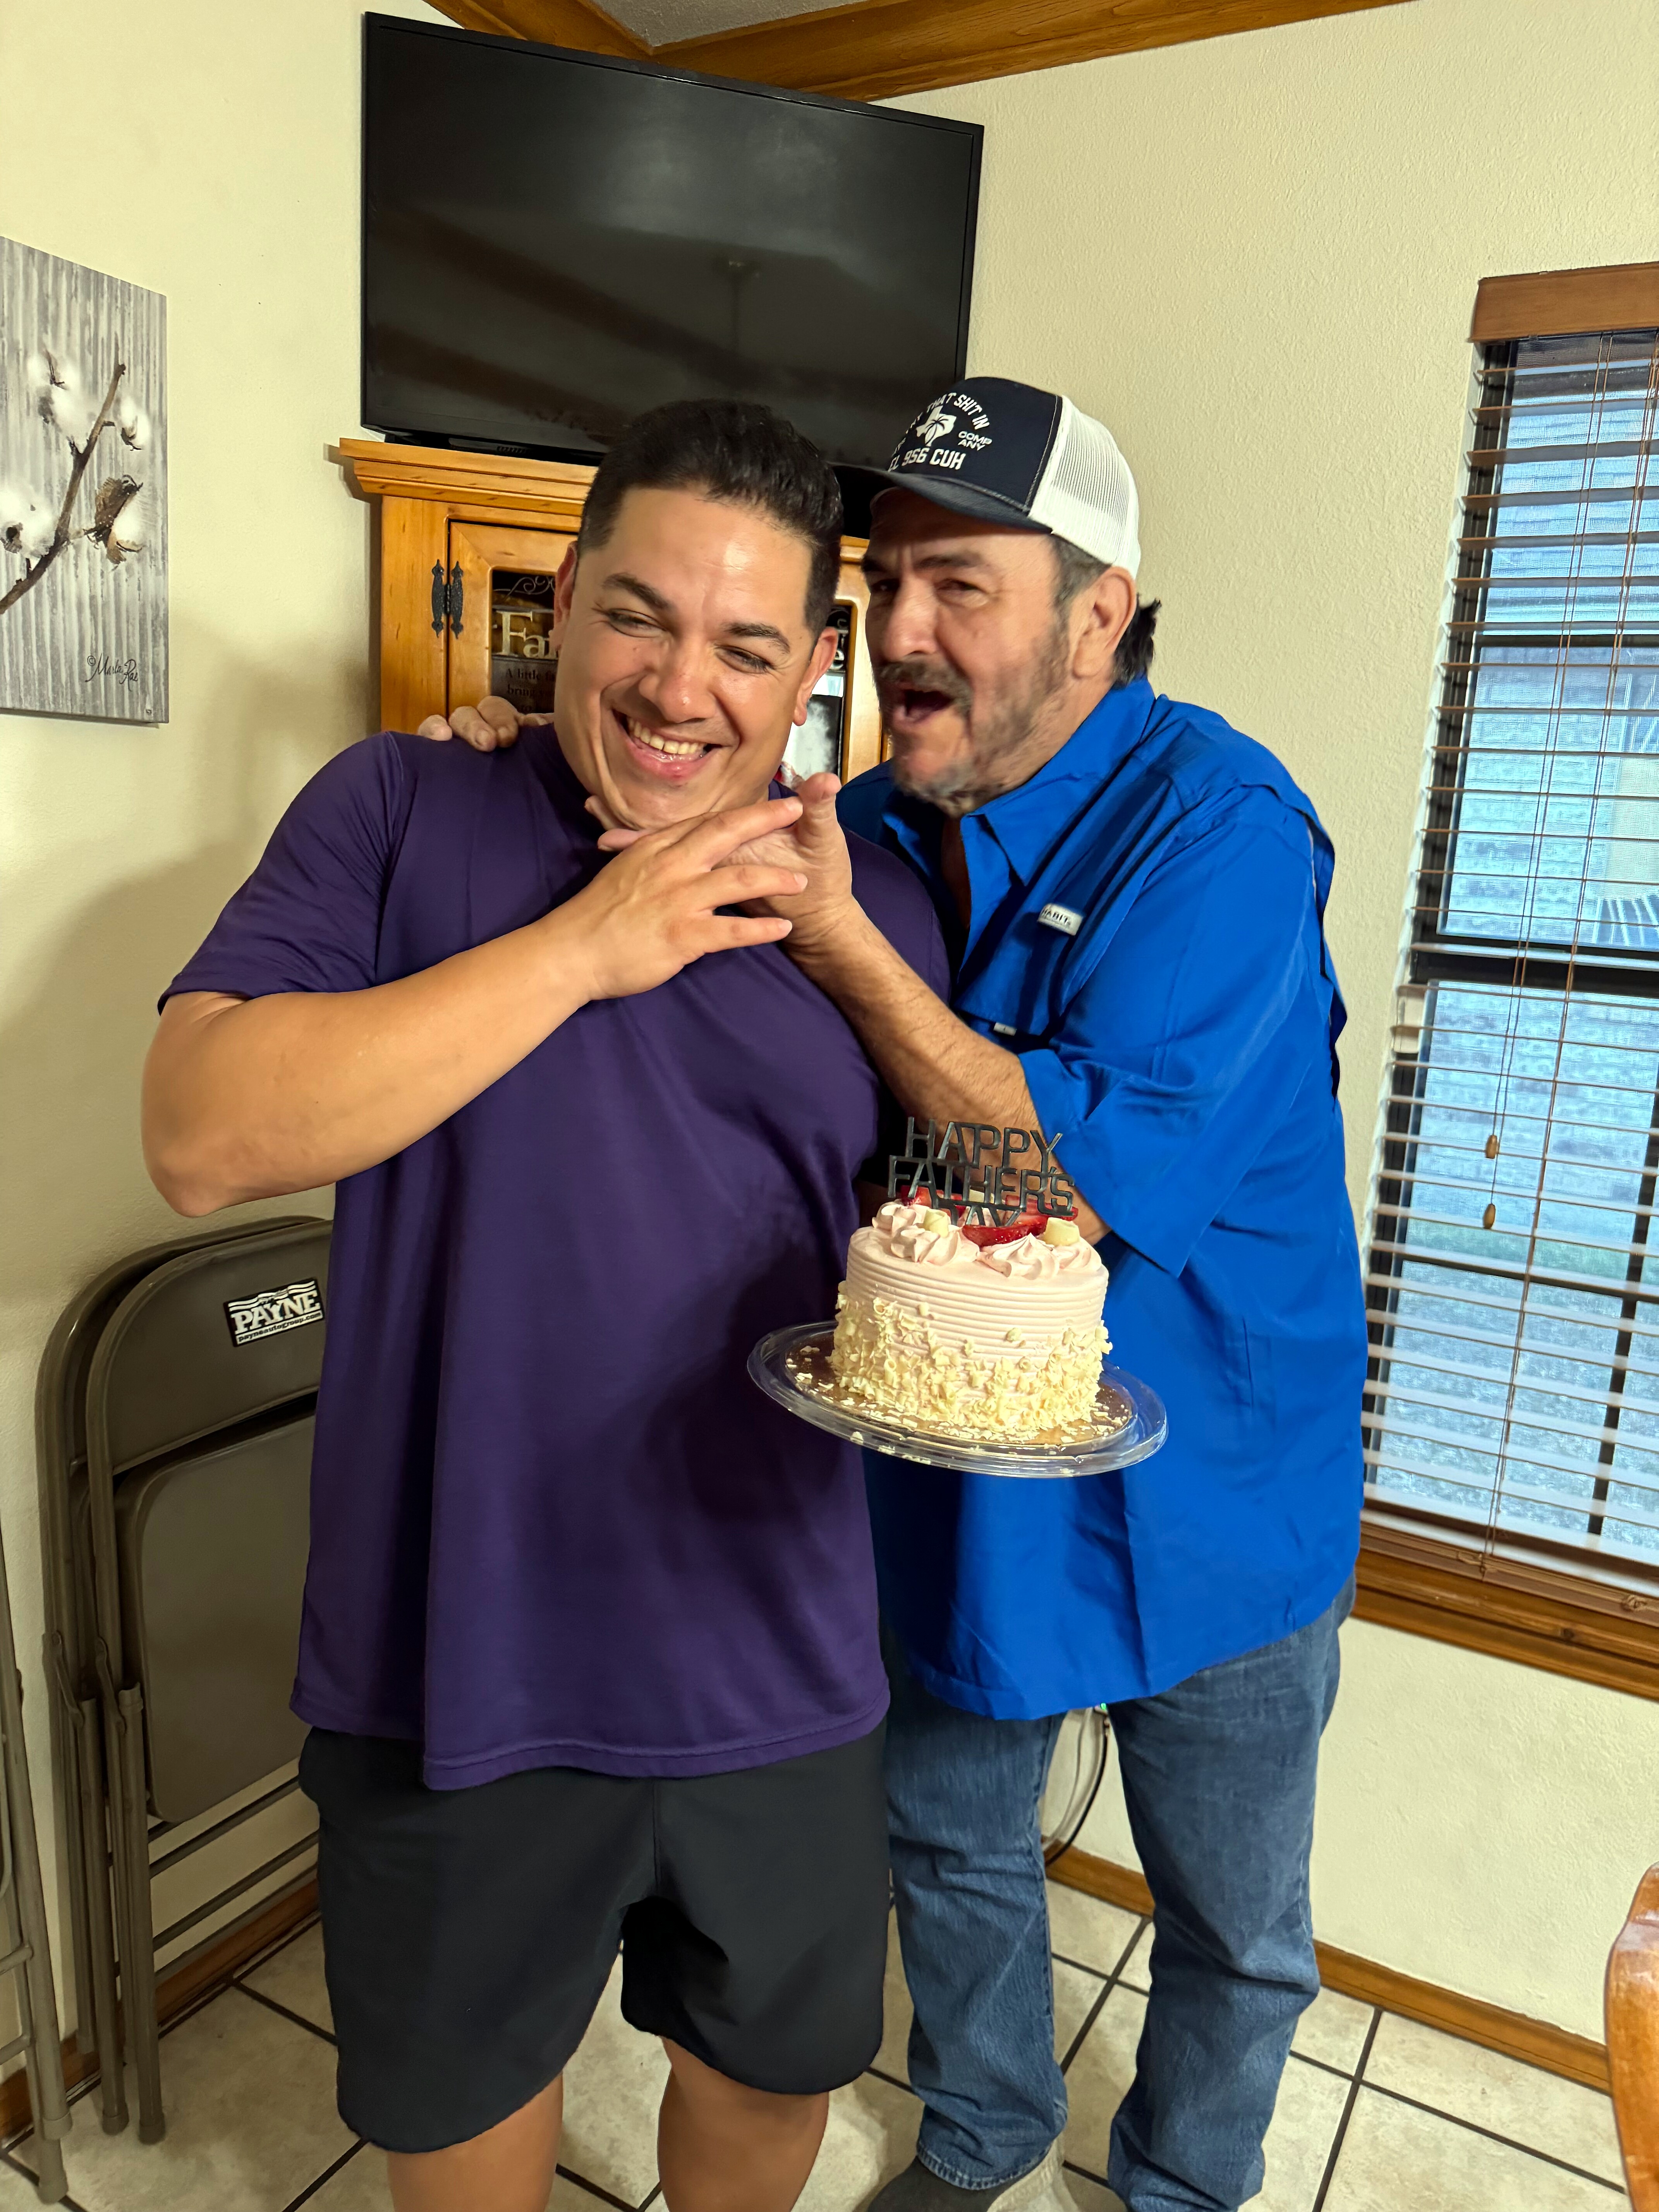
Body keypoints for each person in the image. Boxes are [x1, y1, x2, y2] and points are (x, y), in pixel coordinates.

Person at [439, 378, 1369, 2212]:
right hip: (950, 1453)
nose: (906, 633)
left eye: (965, 587)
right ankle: (983, 2131)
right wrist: (513, 762)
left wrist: (846, 945)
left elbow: (1072, 1185)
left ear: (1097, 617)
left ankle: (1186, 2182)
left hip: (1217, 1480)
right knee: (948, 1837)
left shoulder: (1225, 830)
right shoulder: (858, 817)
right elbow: (644, 862)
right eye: (890, 587)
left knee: (1232, 1910)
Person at [141, 399, 948, 2212]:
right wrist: (586, 947)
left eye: (746, 646)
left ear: (812, 668)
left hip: (778, 1651)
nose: (682, 687)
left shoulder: (872, 902)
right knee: (463, 2113)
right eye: (639, 616)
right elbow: (198, 1137)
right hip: (455, 1654)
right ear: (563, 605)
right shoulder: (400, 806)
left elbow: (953, 1234)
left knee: (772, 2077)